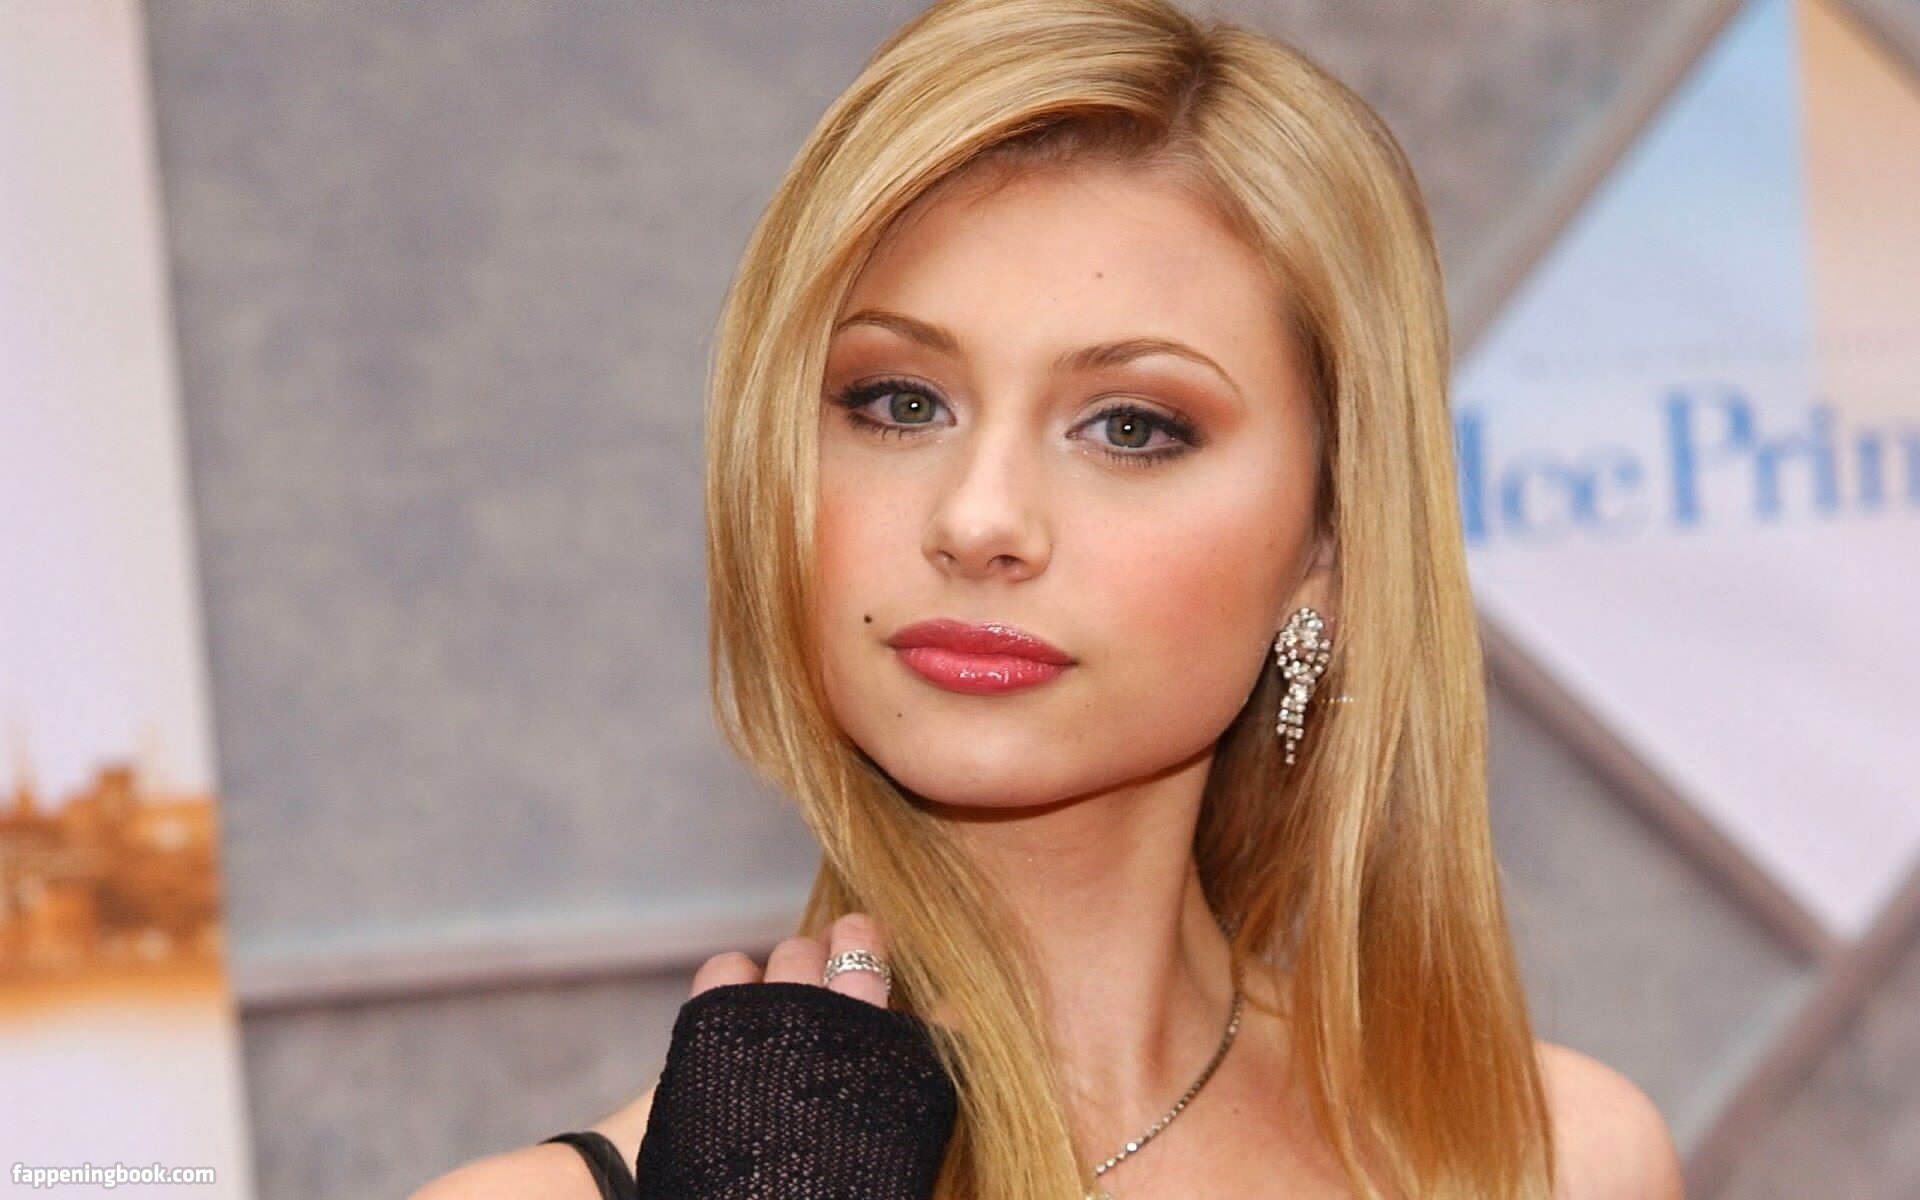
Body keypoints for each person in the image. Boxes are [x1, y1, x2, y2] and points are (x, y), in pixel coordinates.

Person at [414, 0, 1687, 1197]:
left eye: (1131, 426)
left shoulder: (1554, 1160)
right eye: (900, 402)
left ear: (1331, 541)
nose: (979, 521)